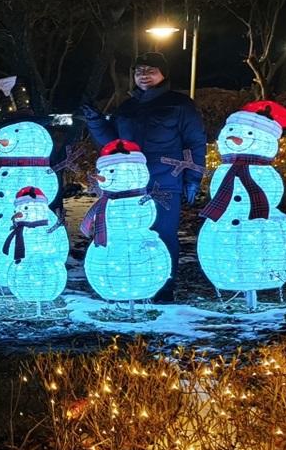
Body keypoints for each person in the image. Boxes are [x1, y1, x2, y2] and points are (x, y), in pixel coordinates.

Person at [78, 52, 207, 302]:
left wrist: (193, 178)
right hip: (128, 185)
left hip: (164, 181)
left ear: (164, 74)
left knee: (162, 233)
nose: (144, 75)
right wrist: (95, 122)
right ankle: (134, 281)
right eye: (139, 71)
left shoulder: (180, 105)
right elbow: (114, 144)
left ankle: (164, 286)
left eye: (150, 70)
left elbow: (195, 142)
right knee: (127, 235)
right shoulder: (127, 108)